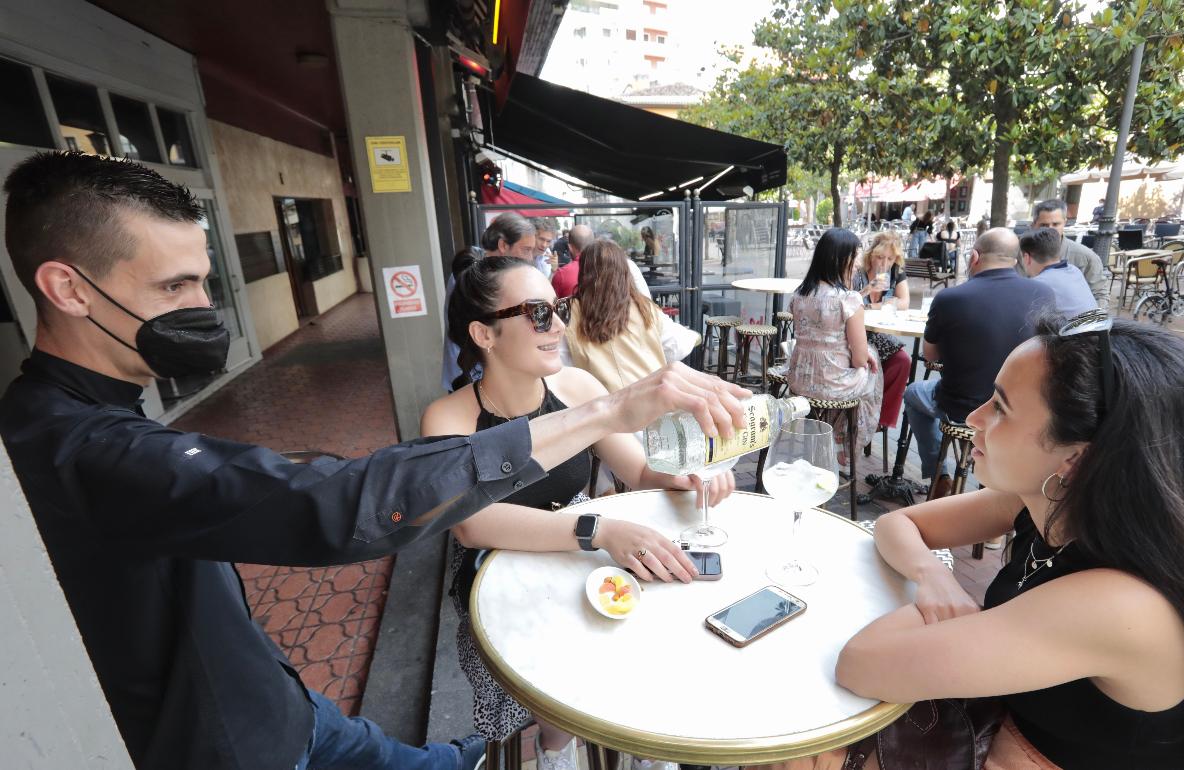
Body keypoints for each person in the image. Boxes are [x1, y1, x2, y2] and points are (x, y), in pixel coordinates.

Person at [0, 152, 749, 770]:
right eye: (175, 287)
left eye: (204, 280)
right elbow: (337, 504)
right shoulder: (82, 449)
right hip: (235, 745)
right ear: (68, 288)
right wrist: (609, 414)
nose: (204, 308)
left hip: (279, 704)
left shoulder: (100, 416)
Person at [825, 316, 1184, 770]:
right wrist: (934, 577)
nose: (974, 417)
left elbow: (861, 664)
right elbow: (898, 525)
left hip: (1022, 752)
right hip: (994, 728)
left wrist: (946, 612)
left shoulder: (1121, 605)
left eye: (1001, 408)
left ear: (1075, 458)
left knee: (809, 753)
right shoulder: (1054, 502)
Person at [421, 253, 733, 770]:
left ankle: (635, 743)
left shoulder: (578, 389)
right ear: (484, 334)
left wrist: (683, 478)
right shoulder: (448, 418)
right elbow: (474, 525)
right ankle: (555, 744)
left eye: (558, 308)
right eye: (539, 313)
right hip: (501, 568)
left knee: (646, 634)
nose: (560, 324)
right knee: (560, 677)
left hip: (582, 548)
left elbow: (637, 471)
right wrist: (600, 528)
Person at [904, 228, 1054, 498]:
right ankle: (993, 487)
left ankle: (939, 475)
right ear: (1017, 259)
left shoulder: (950, 298)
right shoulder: (1044, 293)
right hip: (1018, 411)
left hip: (961, 407)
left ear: (974, 256)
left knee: (914, 392)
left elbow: (930, 355)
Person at [786, 228, 883, 464]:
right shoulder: (848, 299)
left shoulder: (799, 295)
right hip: (832, 385)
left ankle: (824, 438)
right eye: (855, 258)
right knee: (873, 367)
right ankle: (845, 447)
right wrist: (867, 355)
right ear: (842, 260)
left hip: (799, 380)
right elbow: (859, 359)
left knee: (864, 363)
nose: (858, 264)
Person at [560, 239, 697, 392]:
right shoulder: (643, 306)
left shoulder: (566, 312)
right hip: (651, 401)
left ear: (583, 272)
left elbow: (562, 363)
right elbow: (676, 347)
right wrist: (693, 335)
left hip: (600, 406)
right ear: (625, 270)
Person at [441, 212, 537, 391]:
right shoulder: (473, 275)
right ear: (502, 244)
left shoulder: (490, 270)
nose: (530, 258)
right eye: (526, 249)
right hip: (471, 375)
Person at [850, 231, 912, 432]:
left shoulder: (896, 272)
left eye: (890, 258)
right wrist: (868, 290)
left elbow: (904, 302)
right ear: (871, 255)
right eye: (880, 257)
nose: (884, 263)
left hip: (879, 334)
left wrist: (879, 305)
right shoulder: (858, 271)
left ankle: (880, 421)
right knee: (865, 364)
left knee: (903, 361)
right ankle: (855, 419)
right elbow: (846, 302)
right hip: (856, 333)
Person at [1029, 199, 1109, 308]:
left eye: (1056, 224)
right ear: (1034, 225)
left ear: (1064, 223)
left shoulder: (1085, 257)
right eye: (1044, 225)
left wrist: (1085, 323)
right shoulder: (1019, 253)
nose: (1050, 230)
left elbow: (1100, 295)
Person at [1020, 227, 1096, 321]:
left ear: (1027, 258)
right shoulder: (1074, 270)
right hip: (1098, 329)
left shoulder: (1037, 284)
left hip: (1075, 334)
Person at [550, 224, 594, 298]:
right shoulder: (607, 268)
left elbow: (551, 302)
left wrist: (553, 271)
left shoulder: (561, 274)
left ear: (570, 247)